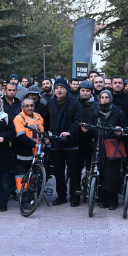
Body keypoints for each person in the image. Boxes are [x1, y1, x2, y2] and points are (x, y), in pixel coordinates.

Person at [46, 78, 83, 206]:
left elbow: (78, 120)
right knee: (58, 172)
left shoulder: (74, 103)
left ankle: (75, 196)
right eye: (57, 88)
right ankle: (61, 196)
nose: (59, 90)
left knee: (74, 172)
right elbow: (46, 122)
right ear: (54, 90)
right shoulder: (50, 104)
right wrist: (47, 136)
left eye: (61, 87)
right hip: (56, 143)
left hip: (71, 143)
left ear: (66, 89)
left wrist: (70, 132)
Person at [91, 90, 126, 209]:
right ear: (99, 99)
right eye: (102, 97)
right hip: (99, 147)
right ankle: (101, 199)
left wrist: (119, 132)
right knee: (100, 174)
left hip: (113, 147)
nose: (104, 99)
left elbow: (124, 130)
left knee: (112, 175)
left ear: (110, 99)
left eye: (107, 97)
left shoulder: (118, 113)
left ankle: (112, 201)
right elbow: (92, 129)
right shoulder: (96, 113)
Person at [13, 96, 45, 198]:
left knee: (33, 177)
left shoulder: (38, 116)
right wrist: (35, 144)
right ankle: (24, 199)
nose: (29, 108)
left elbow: (42, 132)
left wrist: (46, 139)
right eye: (27, 106)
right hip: (24, 154)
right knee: (22, 178)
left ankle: (32, 197)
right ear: (22, 107)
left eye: (31, 105)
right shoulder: (19, 118)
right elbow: (21, 137)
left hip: (37, 153)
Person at [77, 80, 98, 176]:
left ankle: (89, 186)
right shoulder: (75, 103)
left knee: (91, 166)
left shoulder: (96, 105)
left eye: (87, 91)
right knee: (77, 167)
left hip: (91, 140)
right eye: (83, 90)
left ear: (91, 92)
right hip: (77, 139)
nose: (85, 93)